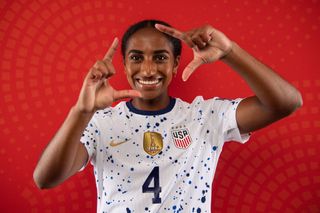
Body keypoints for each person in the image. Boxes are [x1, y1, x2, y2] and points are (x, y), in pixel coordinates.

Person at [33, 19, 302, 212]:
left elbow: (286, 103)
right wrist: (82, 111)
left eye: (160, 58)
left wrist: (230, 52)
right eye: (137, 58)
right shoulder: (101, 122)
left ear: (175, 65)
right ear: (124, 66)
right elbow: (45, 179)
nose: (148, 70)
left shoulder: (204, 116)